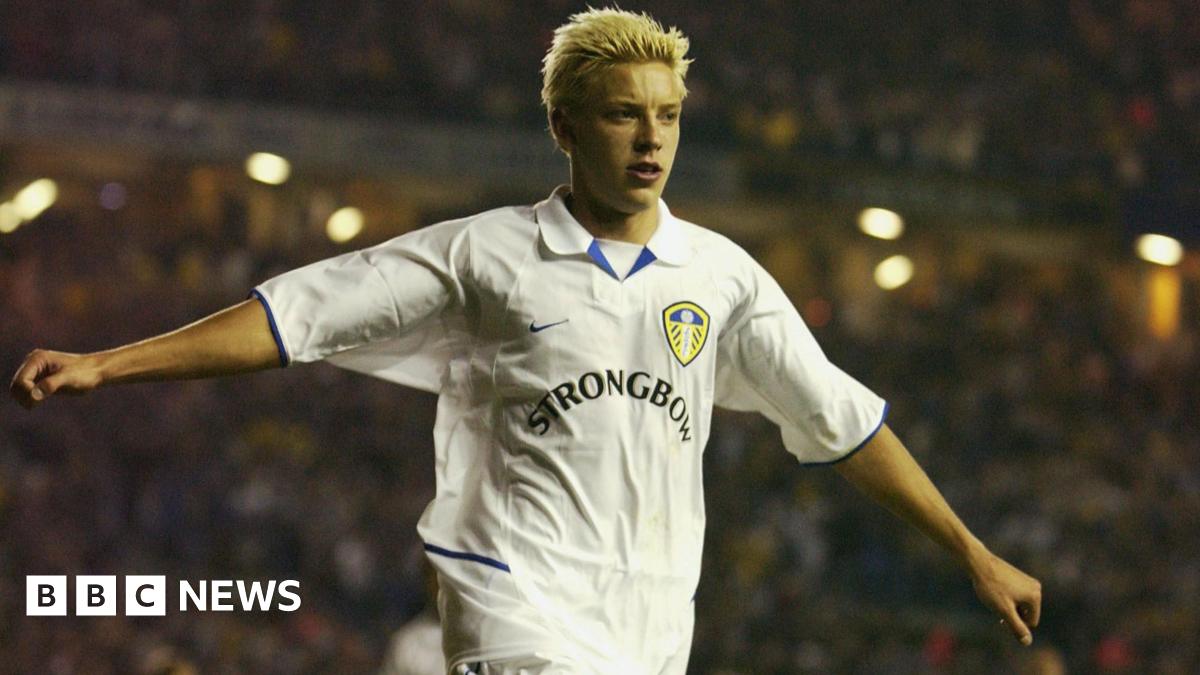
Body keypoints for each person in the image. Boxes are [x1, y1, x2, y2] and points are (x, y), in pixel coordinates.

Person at [10, 8, 1041, 674]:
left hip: (647, 631)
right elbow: (303, 314)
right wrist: (112, 361)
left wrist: (971, 548)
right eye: (623, 116)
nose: (650, 140)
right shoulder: (484, 256)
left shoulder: (722, 278)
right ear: (564, 126)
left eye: (668, 117)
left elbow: (839, 421)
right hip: (509, 612)